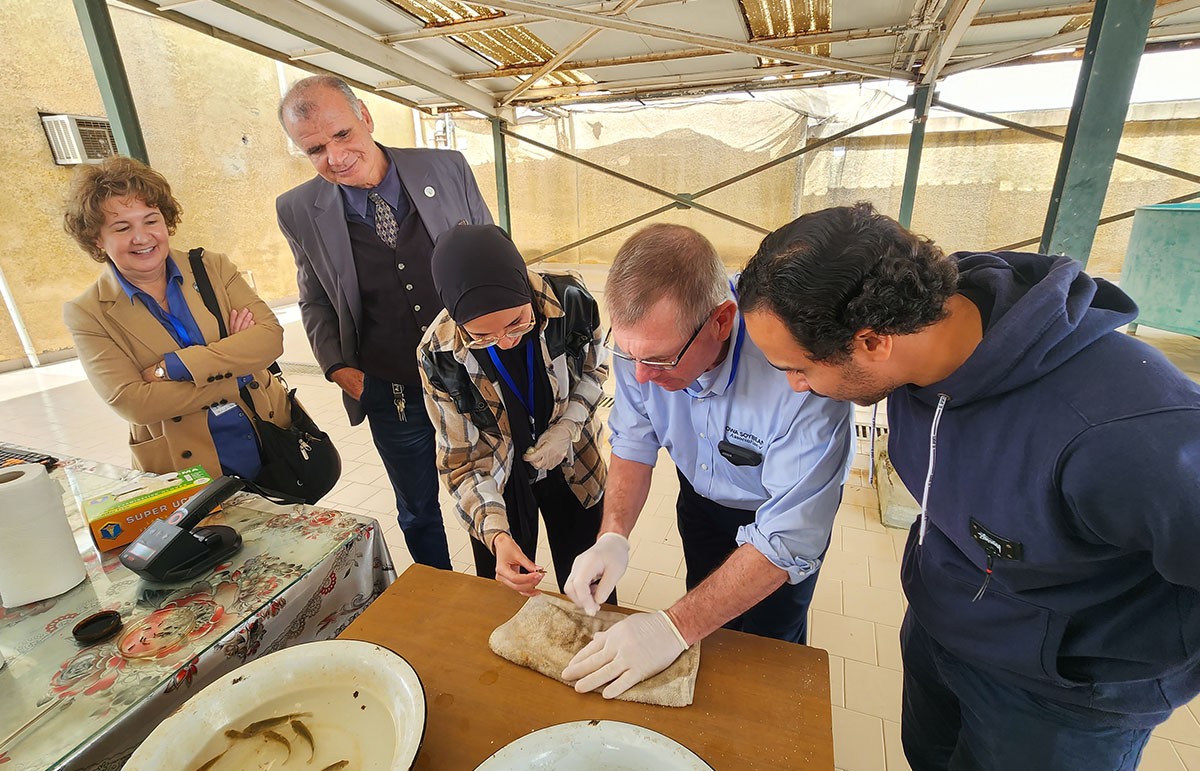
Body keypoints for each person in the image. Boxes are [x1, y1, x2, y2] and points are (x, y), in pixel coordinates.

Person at [737, 202, 1200, 770]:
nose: (795, 387)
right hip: (940, 636)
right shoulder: (913, 350)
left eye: (799, 367)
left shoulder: (1124, 428)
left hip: (1061, 705)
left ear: (872, 341)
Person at [560, 223, 854, 700]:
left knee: (768, 646)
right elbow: (634, 440)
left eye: (659, 360)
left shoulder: (801, 371)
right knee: (710, 625)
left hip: (774, 511)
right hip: (700, 498)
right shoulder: (643, 346)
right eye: (628, 354)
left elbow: (786, 541)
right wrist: (612, 534)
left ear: (721, 321)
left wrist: (669, 628)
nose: (640, 375)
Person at [275, 75, 493, 569]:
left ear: (366, 118)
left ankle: (492, 593)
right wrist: (338, 370)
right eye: (314, 149)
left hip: (473, 375)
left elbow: (493, 256)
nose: (334, 157)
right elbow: (314, 300)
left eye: (342, 135)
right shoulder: (297, 210)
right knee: (416, 510)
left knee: (487, 494)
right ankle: (436, 596)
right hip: (389, 387)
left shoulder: (447, 166)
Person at [63, 156, 290, 478]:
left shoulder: (212, 267)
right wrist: (239, 366)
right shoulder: (88, 313)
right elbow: (135, 403)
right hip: (182, 462)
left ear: (165, 221)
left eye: (151, 220)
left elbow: (269, 338)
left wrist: (171, 369)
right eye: (122, 227)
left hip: (267, 436)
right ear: (97, 238)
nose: (142, 237)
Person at [419, 225, 612, 597]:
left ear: (523, 284)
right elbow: (462, 461)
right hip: (500, 480)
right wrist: (497, 538)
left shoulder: (571, 301)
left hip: (575, 464)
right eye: (483, 336)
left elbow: (595, 369)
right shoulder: (437, 355)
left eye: (516, 323)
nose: (506, 341)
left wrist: (567, 427)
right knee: (508, 593)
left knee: (591, 587)